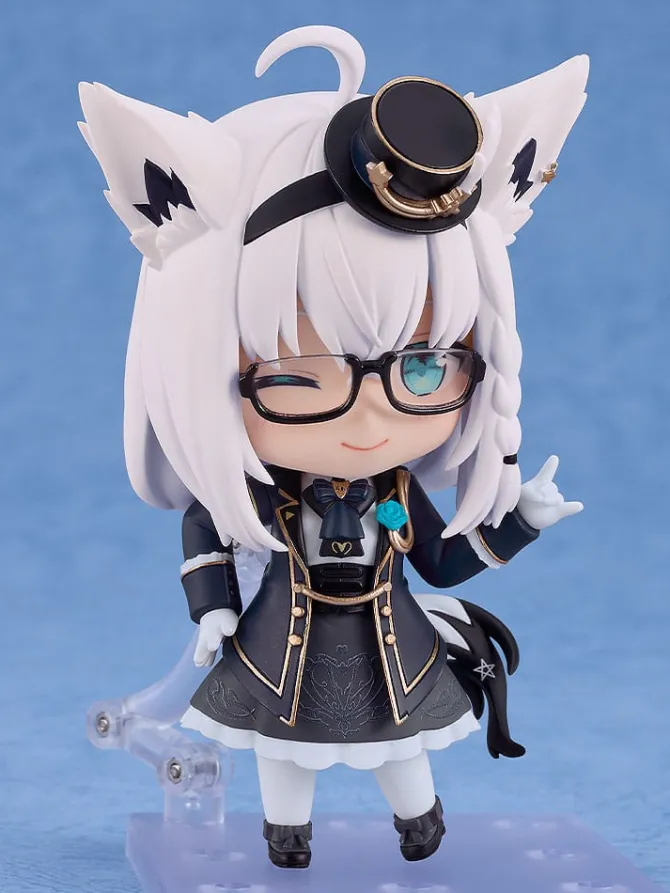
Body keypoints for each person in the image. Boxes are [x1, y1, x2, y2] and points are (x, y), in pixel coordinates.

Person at [79, 24, 587, 869]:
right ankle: (287, 834)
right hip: (280, 652)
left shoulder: (396, 491)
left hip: (392, 655)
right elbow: (205, 534)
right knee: (281, 750)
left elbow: (441, 563)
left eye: (422, 368)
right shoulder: (262, 496)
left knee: (401, 747)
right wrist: (212, 609)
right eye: (296, 376)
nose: (369, 416)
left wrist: (520, 521)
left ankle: (419, 820)